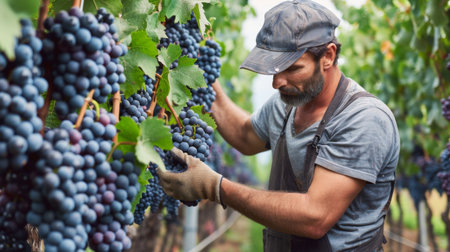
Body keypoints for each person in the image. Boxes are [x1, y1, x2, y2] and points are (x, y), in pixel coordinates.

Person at [157, 0, 400, 251]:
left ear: (328, 56)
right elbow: (244, 134)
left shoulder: (364, 118)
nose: (277, 82)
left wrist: (216, 188)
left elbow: (315, 217)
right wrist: (192, 70)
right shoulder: (287, 105)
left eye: (292, 68)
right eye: (272, 69)